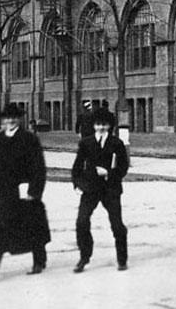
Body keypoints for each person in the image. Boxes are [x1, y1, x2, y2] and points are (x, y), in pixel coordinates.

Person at [0, 103, 51, 281]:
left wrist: (34, 190)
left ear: (19, 119)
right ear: (3, 119)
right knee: (2, 229)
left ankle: (39, 260)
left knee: (33, 227)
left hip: (25, 191)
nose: (10, 121)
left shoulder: (29, 139)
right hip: (4, 193)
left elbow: (39, 167)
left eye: (13, 118)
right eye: (7, 118)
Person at [71, 108, 129, 273]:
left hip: (110, 189)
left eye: (104, 125)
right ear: (93, 125)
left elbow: (123, 168)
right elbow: (76, 168)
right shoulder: (86, 143)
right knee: (81, 222)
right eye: (98, 125)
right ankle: (84, 256)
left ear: (110, 126)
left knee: (117, 224)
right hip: (90, 188)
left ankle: (122, 258)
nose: (101, 128)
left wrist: (109, 173)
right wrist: (78, 184)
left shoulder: (117, 144)